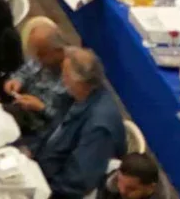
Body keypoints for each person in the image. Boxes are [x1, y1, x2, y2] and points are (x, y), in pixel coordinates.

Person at [26, 52, 127, 199]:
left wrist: (39, 188)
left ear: (79, 82)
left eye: (65, 75)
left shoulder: (99, 127)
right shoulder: (75, 97)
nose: (62, 79)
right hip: (43, 166)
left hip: (56, 187)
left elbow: (78, 182)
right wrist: (31, 151)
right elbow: (53, 131)